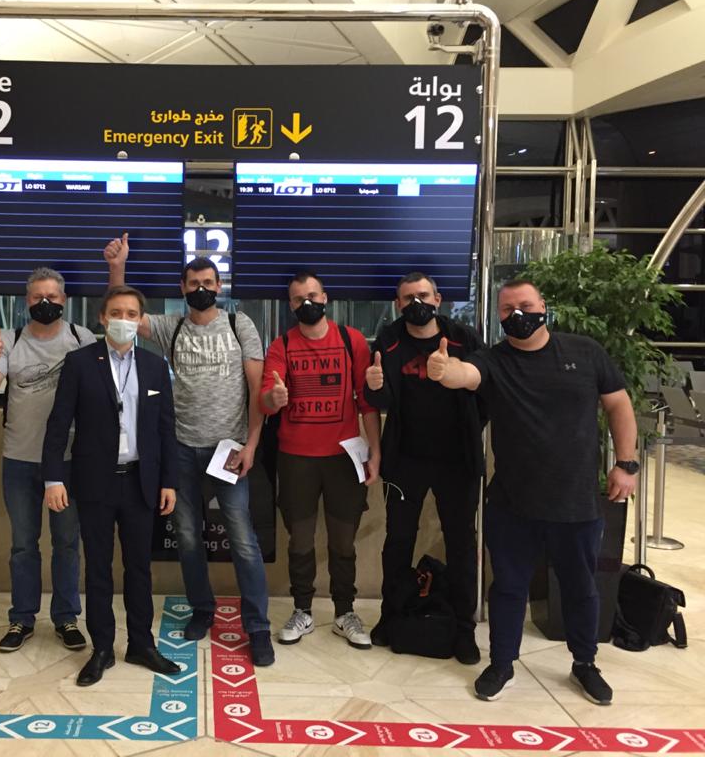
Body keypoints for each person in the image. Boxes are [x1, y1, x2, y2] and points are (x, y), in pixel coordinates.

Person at [428, 278, 638, 705]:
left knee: (581, 587)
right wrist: (444, 371)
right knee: (508, 588)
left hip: (576, 502)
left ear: (543, 306)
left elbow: (618, 403)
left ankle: (584, 663)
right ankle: (502, 663)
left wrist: (626, 462)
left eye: (525, 305)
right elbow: (465, 375)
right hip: (513, 503)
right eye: (507, 310)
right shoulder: (493, 360)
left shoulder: (585, 352)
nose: (517, 315)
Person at [104, 235, 274, 666]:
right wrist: (117, 268)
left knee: (243, 540)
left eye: (208, 283)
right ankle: (203, 609)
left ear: (219, 287)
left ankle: (257, 628)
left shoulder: (239, 324)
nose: (201, 289)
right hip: (179, 448)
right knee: (187, 537)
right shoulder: (172, 327)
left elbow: (258, 390)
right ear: (182, 288)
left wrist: (252, 445)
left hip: (229, 448)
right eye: (194, 283)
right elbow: (123, 314)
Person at [43, 285, 181, 687]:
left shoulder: (155, 367)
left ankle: (141, 644)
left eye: (132, 314)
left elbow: (166, 429)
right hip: (95, 482)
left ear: (141, 320)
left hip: (141, 481)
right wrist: (53, 477)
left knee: (139, 568)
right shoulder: (80, 363)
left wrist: (169, 481)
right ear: (102, 318)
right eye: (116, 313)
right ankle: (102, 647)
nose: (124, 320)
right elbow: (58, 425)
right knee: (98, 569)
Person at [363, 272, 485, 665]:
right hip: (406, 460)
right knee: (398, 541)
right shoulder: (388, 339)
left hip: (457, 461)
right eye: (407, 298)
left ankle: (464, 630)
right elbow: (380, 399)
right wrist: (374, 385)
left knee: (461, 544)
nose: (416, 303)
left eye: (423, 295)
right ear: (398, 304)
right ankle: (390, 616)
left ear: (437, 298)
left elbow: (485, 385)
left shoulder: (463, 337)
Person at [0, 267, 95, 653]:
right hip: (20, 458)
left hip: (69, 460)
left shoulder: (81, 338)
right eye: (37, 297)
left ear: (64, 300)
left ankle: (66, 618)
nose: (45, 303)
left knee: (67, 543)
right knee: (23, 545)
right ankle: (22, 618)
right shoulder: (9, 341)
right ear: (26, 301)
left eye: (52, 297)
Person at [260, 271, 381, 649]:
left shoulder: (351, 340)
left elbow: (366, 403)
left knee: (344, 541)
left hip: (344, 457)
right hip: (296, 459)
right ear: (290, 305)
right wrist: (274, 399)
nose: (307, 303)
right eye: (299, 299)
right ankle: (303, 610)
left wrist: (375, 451)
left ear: (325, 297)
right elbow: (266, 398)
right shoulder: (281, 345)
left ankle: (345, 612)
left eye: (312, 295)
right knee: (300, 540)